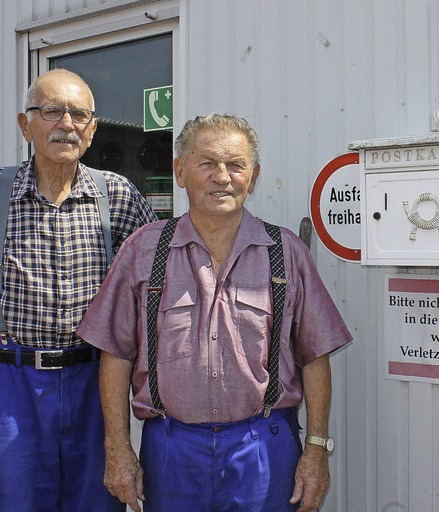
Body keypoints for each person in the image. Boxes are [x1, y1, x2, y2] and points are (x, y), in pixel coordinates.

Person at [76, 113, 352, 512]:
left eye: (235, 165)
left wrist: (316, 449)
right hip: (170, 449)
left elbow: (315, 357)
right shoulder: (142, 250)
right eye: (207, 163)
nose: (221, 177)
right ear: (180, 170)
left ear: (253, 176)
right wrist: (118, 450)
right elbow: (115, 355)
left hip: (265, 447)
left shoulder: (287, 252)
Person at [0, 68, 157, 512]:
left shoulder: (118, 195)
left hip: (95, 382)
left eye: (79, 114)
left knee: (98, 499)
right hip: (12, 385)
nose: (65, 123)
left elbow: (157, 279)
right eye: (51, 111)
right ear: (24, 123)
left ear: (92, 129)